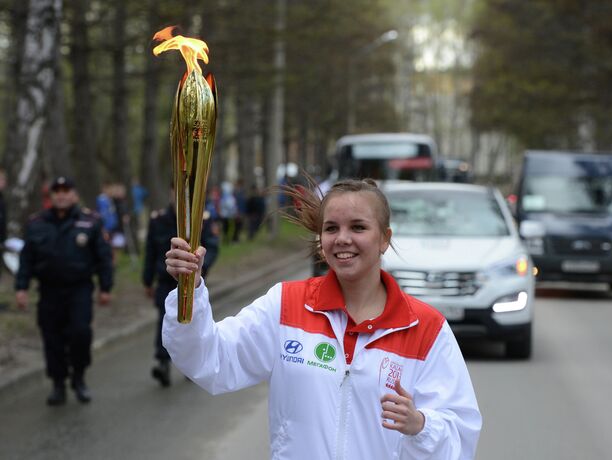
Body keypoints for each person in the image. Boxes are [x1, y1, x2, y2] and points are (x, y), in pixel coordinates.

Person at [162, 177, 481, 459]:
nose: (342, 238)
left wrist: (420, 425)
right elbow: (211, 359)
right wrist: (191, 290)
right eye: (331, 228)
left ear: (384, 238)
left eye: (358, 227)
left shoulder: (425, 327)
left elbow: (460, 435)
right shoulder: (286, 304)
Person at [15, 176, 113, 406]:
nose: (61, 195)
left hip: (79, 289)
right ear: (51, 196)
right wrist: (21, 287)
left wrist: (105, 287)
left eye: (66, 190)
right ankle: (58, 383)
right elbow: (26, 258)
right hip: (49, 290)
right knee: (52, 338)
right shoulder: (36, 223)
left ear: (74, 195)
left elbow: (103, 257)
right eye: (56, 191)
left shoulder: (90, 221)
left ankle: (78, 377)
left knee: (80, 333)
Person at [143, 193, 220, 387]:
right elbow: (150, 252)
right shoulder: (158, 220)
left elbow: (212, 245)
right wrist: (147, 280)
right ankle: (163, 362)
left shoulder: (202, 218)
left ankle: (191, 365)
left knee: (193, 318)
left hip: (193, 281)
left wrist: (201, 269)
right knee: (165, 319)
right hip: (165, 280)